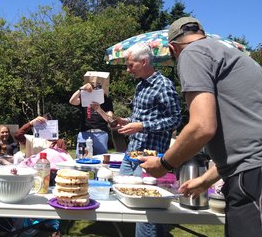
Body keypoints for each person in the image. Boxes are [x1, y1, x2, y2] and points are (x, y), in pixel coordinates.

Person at [140, 17, 262, 237]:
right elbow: (247, 141)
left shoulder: (192, 53)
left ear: (172, 48)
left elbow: (202, 127)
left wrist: (164, 164)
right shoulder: (229, 55)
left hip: (252, 178)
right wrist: (205, 181)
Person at [116, 43, 181, 237]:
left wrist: (142, 126)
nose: (128, 70)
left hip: (151, 157)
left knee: (145, 210)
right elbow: (139, 116)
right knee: (122, 195)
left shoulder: (164, 85)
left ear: (144, 62)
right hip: (132, 152)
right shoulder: (140, 85)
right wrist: (125, 121)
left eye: (130, 65)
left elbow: (175, 119)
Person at [69, 81, 114, 156]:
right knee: (81, 157)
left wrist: (99, 110)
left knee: (100, 159)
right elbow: (72, 101)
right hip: (84, 133)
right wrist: (81, 89)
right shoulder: (84, 96)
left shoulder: (106, 100)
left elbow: (110, 119)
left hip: (101, 133)